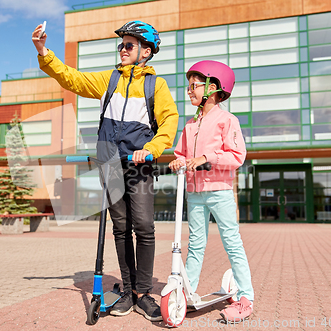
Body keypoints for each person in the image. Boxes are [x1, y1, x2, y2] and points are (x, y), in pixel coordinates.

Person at [32, 21, 179, 321]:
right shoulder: (108, 80)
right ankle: (127, 291)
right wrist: (43, 52)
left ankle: (144, 292)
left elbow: (169, 122)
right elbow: (72, 78)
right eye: (121, 45)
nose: (121, 49)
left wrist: (151, 148)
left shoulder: (155, 85)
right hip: (109, 160)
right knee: (121, 227)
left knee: (144, 227)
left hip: (139, 163)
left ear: (146, 52)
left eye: (128, 45)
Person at [168, 60, 254, 323]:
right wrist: (177, 161)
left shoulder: (227, 120)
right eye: (188, 86)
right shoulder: (190, 125)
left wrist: (207, 157)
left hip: (219, 191)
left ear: (213, 87)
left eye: (193, 86)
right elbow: (182, 153)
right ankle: (187, 291)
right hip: (194, 192)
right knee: (196, 245)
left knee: (232, 242)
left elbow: (237, 155)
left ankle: (246, 297)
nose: (189, 91)